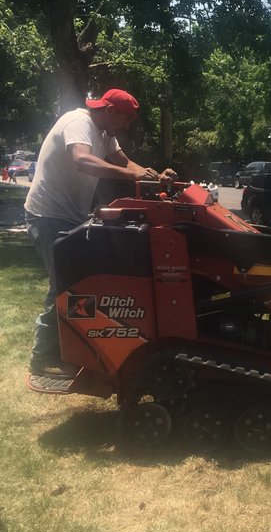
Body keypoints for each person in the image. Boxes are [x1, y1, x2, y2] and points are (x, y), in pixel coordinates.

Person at [25, 88, 175, 379]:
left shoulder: (105, 132)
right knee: (63, 285)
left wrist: (155, 176)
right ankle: (41, 357)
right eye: (126, 119)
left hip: (71, 215)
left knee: (81, 284)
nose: (127, 126)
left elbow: (126, 163)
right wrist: (132, 175)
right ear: (110, 111)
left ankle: (75, 348)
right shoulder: (78, 122)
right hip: (46, 216)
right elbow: (82, 160)